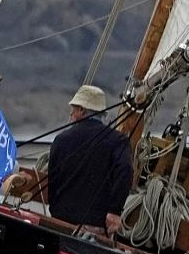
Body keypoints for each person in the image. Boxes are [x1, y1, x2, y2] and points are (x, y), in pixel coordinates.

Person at [46, 84, 132, 233]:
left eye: (73, 109)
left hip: (60, 221)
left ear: (82, 110)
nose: (71, 113)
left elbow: (53, 180)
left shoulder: (61, 139)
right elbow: (125, 172)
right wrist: (114, 211)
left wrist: (55, 209)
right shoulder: (118, 140)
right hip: (95, 227)